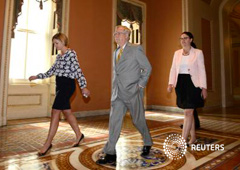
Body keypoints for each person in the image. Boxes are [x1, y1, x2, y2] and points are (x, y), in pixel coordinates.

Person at [96, 25, 153, 165]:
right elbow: (118, 73)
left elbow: (147, 68)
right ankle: (110, 152)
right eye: (115, 33)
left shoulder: (135, 49)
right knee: (114, 121)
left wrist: (140, 85)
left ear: (127, 35)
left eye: (120, 33)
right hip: (118, 93)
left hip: (133, 92)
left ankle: (147, 141)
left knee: (138, 120)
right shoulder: (115, 52)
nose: (117, 35)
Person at [29, 33, 90, 156]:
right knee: (67, 112)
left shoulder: (71, 54)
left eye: (57, 43)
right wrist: (38, 76)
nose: (55, 45)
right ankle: (79, 135)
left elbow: (78, 70)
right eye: (54, 43)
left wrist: (83, 87)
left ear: (63, 42)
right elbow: (52, 71)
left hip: (68, 86)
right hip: (60, 86)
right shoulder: (58, 57)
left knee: (55, 111)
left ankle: (47, 144)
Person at [167, 32, 207, 146]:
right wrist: (170, 83)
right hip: (181, 84)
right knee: (190, 111)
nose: (183, 40)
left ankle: (183, 141)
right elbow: (173, 69)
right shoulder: (177, 53)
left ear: (191, 39)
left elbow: (202, 70)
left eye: (185, 38)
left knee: (188, 112)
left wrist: (204, 87)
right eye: (181, 38)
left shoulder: (198, 53)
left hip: (193, 84)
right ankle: (193, 137)